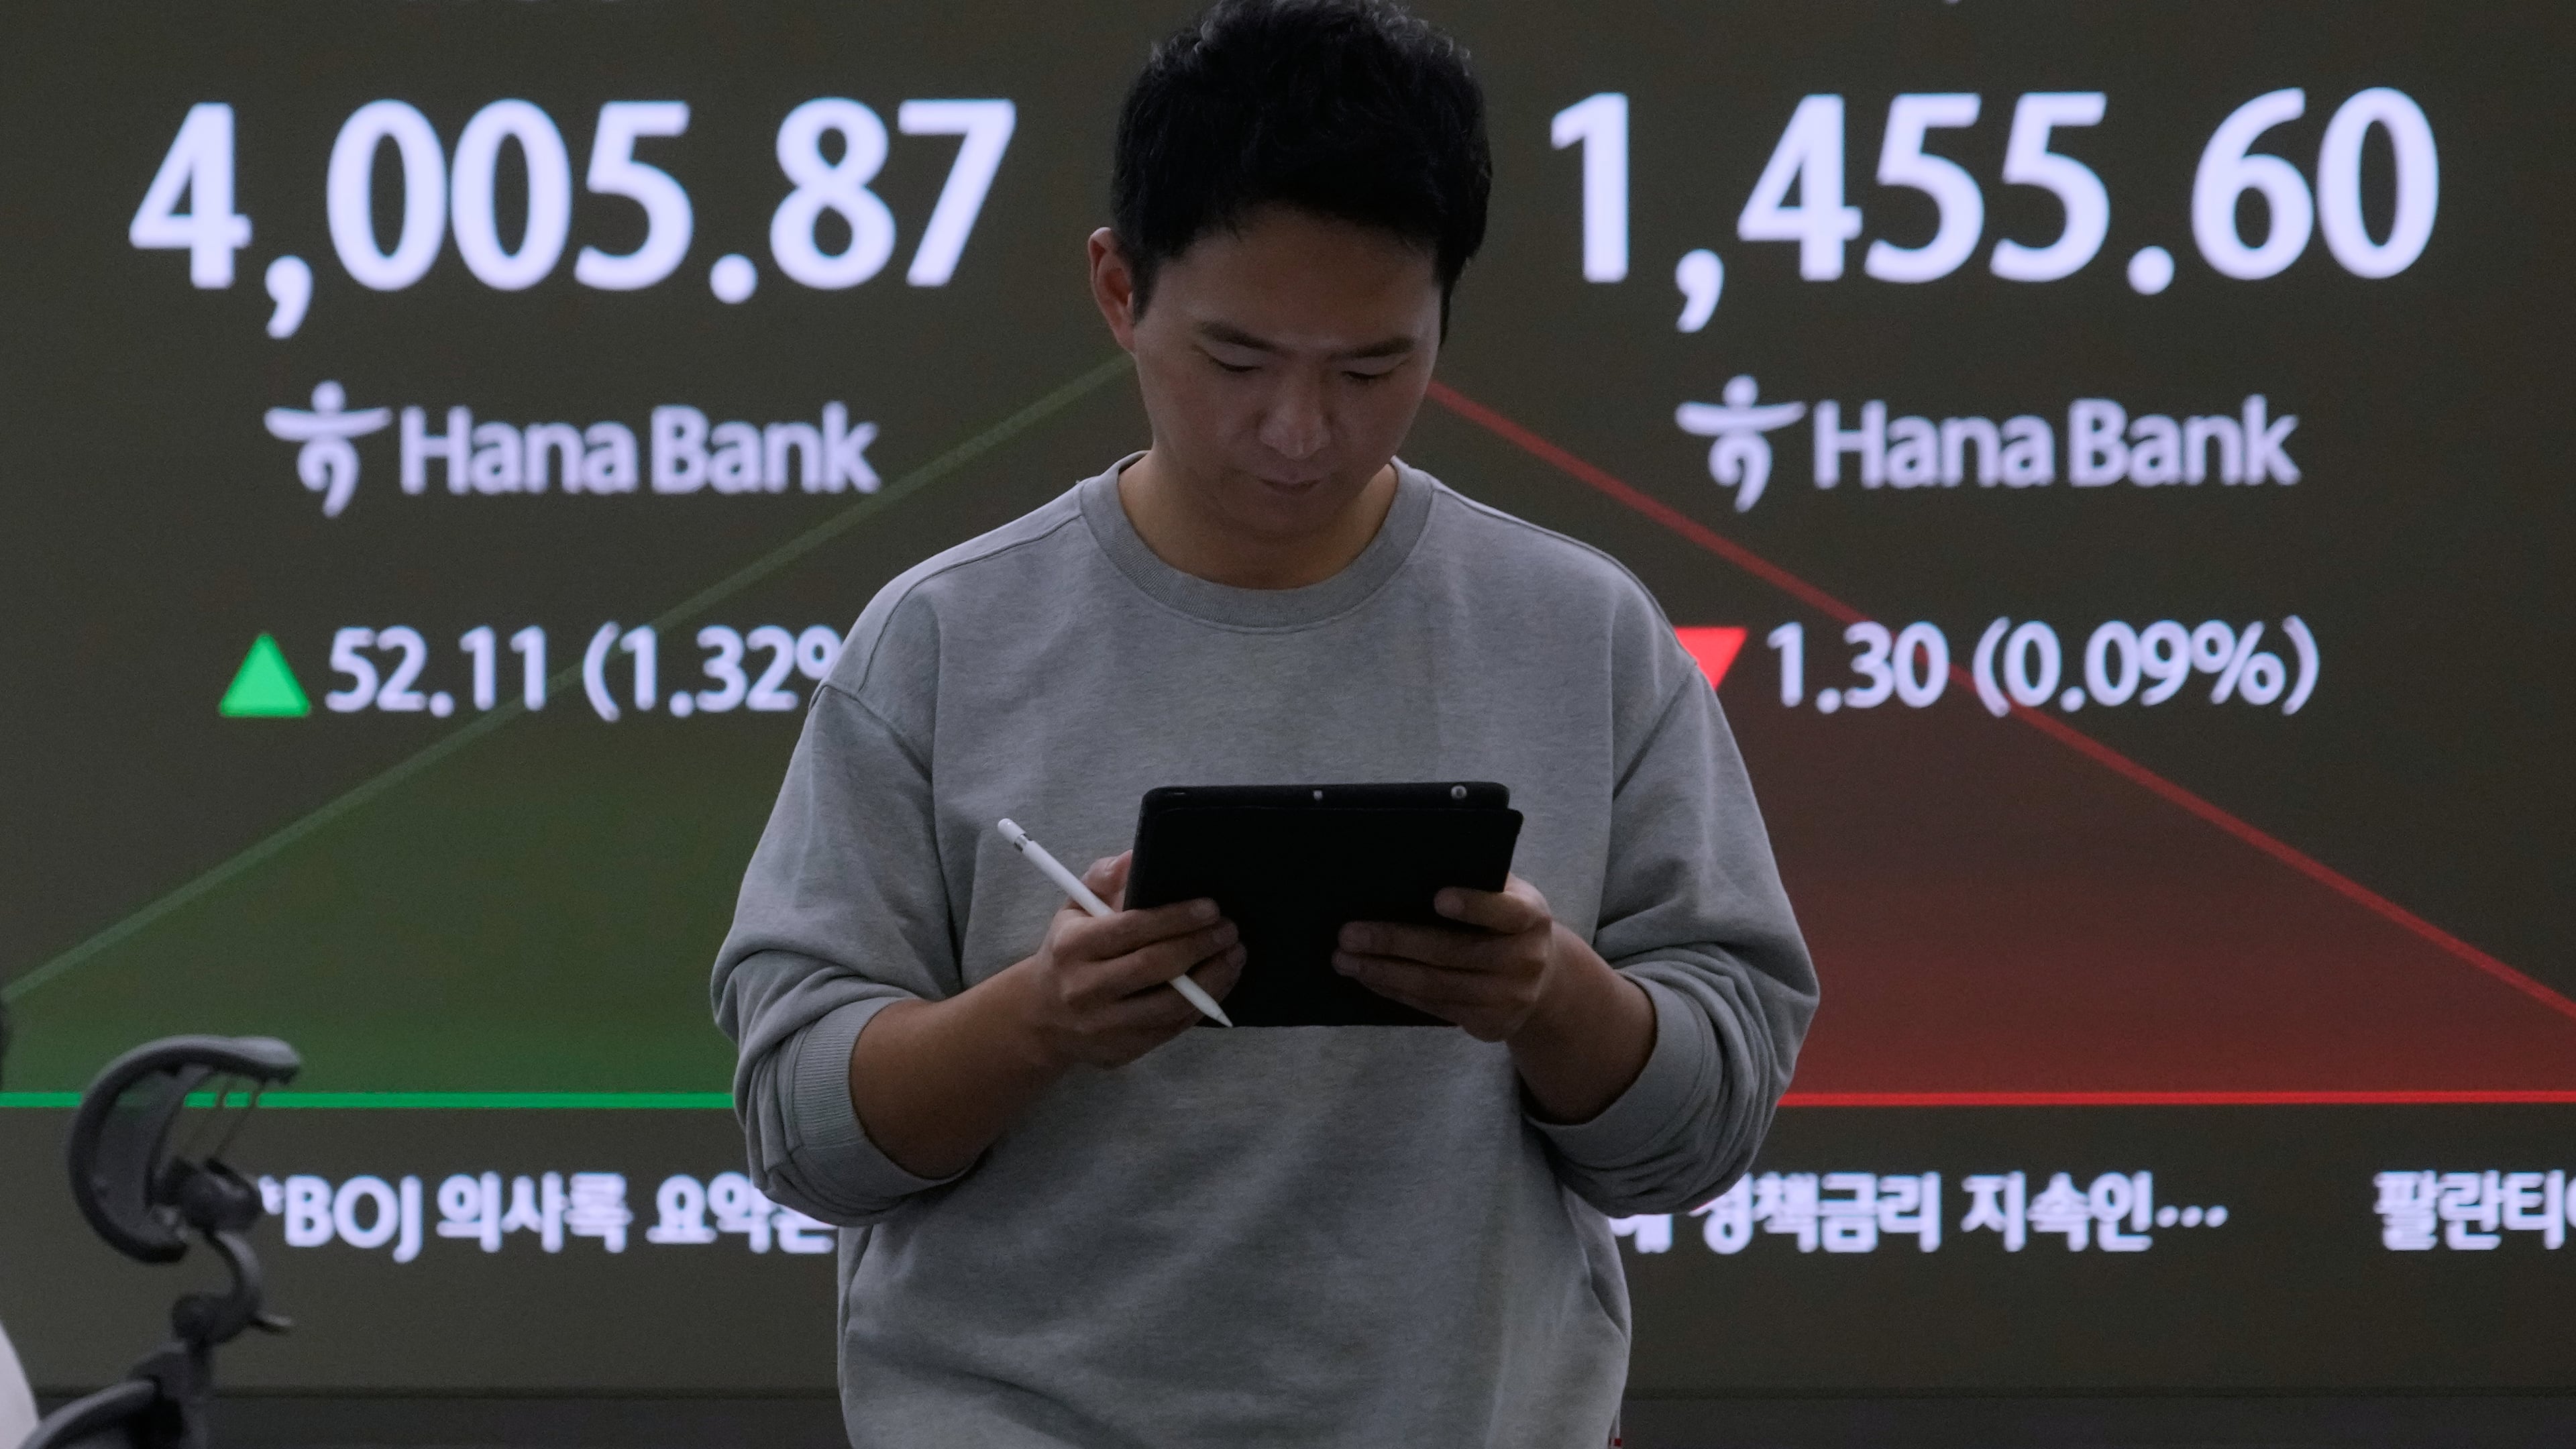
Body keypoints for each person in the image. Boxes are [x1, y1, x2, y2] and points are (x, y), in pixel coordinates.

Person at [713, 1, 1817, 1442]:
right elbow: (799, 1127)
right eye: (1237, 362)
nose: (1302, 430)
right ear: (1119, 288)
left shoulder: (1584, 634)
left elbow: (1706, 1127)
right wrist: (1036, 1022)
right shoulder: (940, 640)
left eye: (1373, 368)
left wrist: (1549, 994)